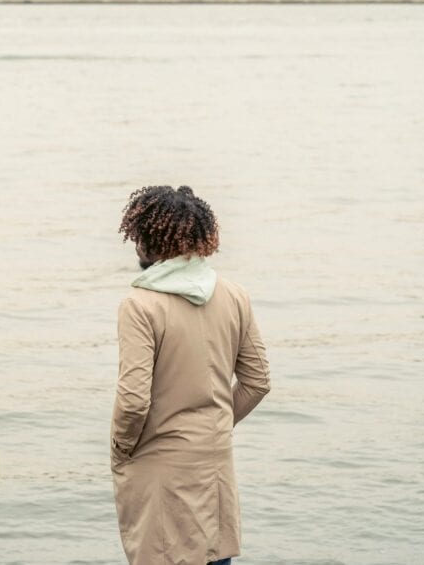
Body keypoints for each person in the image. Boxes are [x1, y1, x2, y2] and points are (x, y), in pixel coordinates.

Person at [110, 186, 271, 565]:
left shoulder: (140, 305)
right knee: (215, 556)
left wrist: (122, 446)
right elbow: (257, 380)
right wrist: (215, 424)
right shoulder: (233, 295)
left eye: (138, 238)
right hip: (215, 458)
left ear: (150, 241)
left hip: (160, 463)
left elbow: (133, 401)